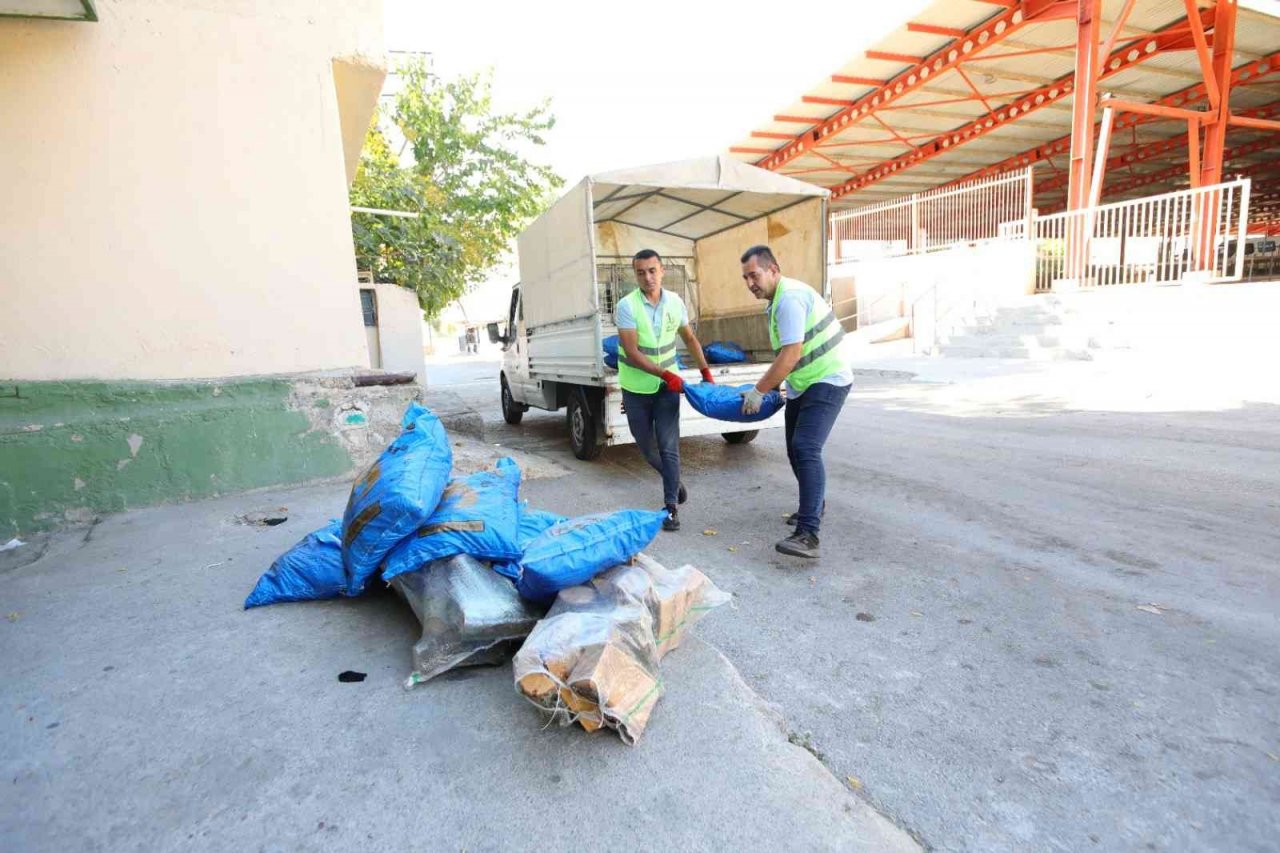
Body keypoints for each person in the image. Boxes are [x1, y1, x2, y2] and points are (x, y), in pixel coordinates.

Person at [739, 245, 852, 558]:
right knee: (794, 449)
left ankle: (808, 534)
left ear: (773, 269)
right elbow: (787, 358)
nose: (750, 283)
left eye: (755, 275)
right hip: (804, 383)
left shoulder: (788, 299)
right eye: (746, 278)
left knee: (805, 448)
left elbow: (791, 354)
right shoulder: (776, 302)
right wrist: (779, 386)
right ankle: (814, 504)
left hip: (828, 378)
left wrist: (759, 391)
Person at [616, 249, 715, 532]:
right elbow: (633, 352)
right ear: (635, 275)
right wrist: (665, 374)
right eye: (641, 272)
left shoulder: (675, 302)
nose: (647, 277)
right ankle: (673, 479)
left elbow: (690, 338)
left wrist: (705, 371)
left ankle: (671, 507)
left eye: (652, 270)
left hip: (666, 389)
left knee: (670, 446)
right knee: (647, 449)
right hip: (636, 388)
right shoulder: (626, 306)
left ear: (662, 271)